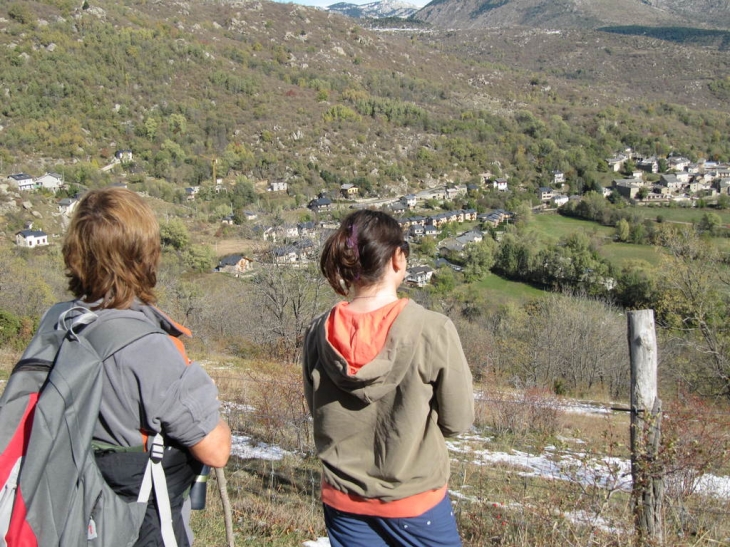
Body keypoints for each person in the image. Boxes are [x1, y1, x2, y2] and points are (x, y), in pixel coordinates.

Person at [61, 186, 231, 546]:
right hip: (138, 524)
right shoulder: (147, 348)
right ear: (144, 256)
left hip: (75, 513)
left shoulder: (62, 324)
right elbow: (216, 450)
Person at [302, 209, 474, 547]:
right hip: (415, 498)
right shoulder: (432, 329)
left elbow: (317, 408)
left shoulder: (317, 331)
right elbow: (458, 421)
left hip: (343, 500)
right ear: (398, 258)